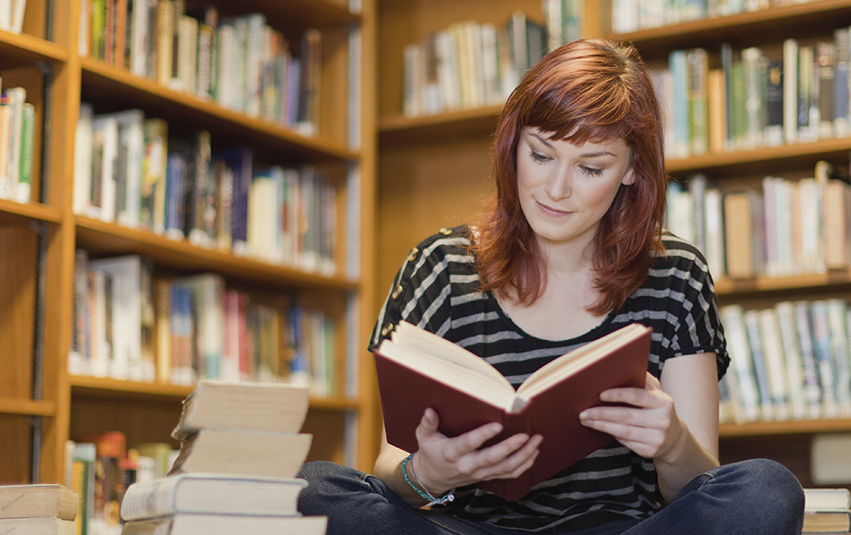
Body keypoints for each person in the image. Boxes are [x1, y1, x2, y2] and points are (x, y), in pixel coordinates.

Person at [298, 39, 804, 534]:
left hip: (624, 529)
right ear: (512, 144)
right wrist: (429, 474)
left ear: (631, 170)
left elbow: (700, 490)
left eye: (590, 167)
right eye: (540, 155)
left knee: (766, 489)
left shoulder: (676, 274)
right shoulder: (441, 267)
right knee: (312, 488)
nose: (556, 189)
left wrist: (672, 443)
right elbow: (393, 470)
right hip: (470, 529)